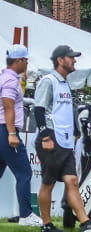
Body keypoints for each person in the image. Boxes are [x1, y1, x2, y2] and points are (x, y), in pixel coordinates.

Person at [34, 45, 91, 231]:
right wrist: (44, 136)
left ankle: (85, 222)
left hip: (64, 141)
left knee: (72, 181)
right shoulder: (48, 81)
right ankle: (46, 225)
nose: (74, 60)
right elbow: (39, 110)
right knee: (48, 183)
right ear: (60, 60)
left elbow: (64, 111)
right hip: (51, 138)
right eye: (71, 57)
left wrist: (74, 132)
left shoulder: (65, 83)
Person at [1, 45, 40, 226]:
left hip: (2, 129)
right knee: (24, 172)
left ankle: (25, 214)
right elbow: (8, 106)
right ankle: (25, 215)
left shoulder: (6, 76)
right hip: (6, 131)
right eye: (25, 60)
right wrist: (11, 133)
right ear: (18, 61)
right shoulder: (9, 79)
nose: (27, 63)